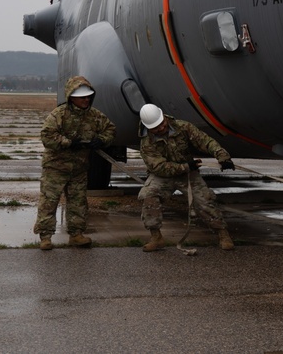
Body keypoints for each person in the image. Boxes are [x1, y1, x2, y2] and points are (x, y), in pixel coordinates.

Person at [137, 103, 237, 252]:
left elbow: (204, 141)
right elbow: (159, 167)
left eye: (162, 124)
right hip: (164, 175)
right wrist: (185, 166)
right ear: (148, 128)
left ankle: (223, 234)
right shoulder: (146, 143)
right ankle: (156, 237)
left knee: (205, 200)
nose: (162, 128)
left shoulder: (182, 127)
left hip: (188, 173)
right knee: (148, 195)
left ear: (164, 116)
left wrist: (222, 155)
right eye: (156, 128)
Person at [33, 76, 116, 250]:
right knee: (49, 202)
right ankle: (46, 237)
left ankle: (76, 234)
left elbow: (110, 130)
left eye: (88, 97)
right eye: (82, 97)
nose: (86, 100)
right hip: (55, 168)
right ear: (71, 97)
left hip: (78, 169)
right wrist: (69, 143)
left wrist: (101, 140)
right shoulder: (59, 114)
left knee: (78, 203)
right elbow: (47, 136)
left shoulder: (95, 116)